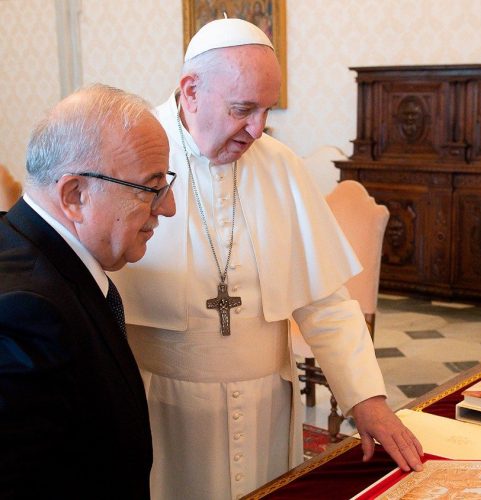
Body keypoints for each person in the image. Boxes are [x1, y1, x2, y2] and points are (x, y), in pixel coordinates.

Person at [113, 18, 423, 500]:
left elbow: (324, 301)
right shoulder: (129, 156)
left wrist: (367, 398)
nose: (258, 130)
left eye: (266, 110)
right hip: (165, 411)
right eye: (243, 109)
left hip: (266, 408)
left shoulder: (280, 165)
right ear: (191, 91)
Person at [0, 84, 176, 499]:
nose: (168, 208)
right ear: (75, 195)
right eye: (150, 188)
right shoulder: (26, 313)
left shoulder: (30, 246)